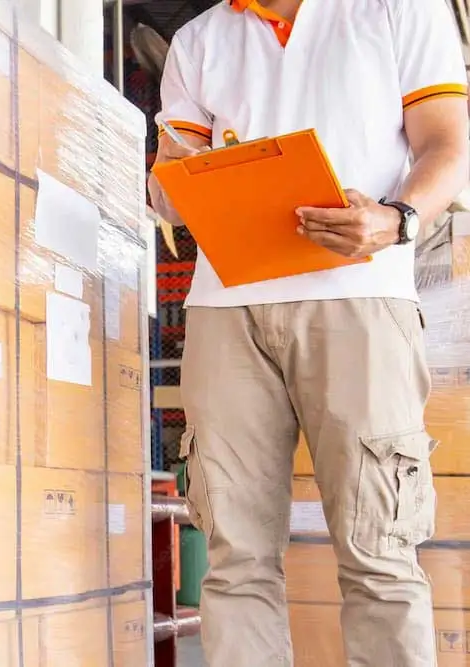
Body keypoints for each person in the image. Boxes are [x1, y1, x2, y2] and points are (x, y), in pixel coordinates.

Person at [148, 0, 470, 664]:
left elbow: (447, 144)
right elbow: (168, 191)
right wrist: (172, 178)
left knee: (378, 547)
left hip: (359, 295)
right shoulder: (198, 40)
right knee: (235, 559)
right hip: (226, 307)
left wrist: (395, 218)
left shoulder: (396, 11)